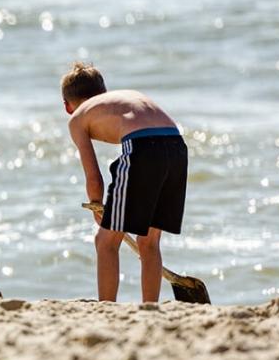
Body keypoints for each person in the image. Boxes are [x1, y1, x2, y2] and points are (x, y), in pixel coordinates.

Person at [62, 61, 188, 303]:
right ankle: (149, 307)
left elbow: (93, 176)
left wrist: (96, 203)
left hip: (143, 148)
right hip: (176, 146)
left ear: (67, 106)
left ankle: (107, 306)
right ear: (104, 93)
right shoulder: (119, 100)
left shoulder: (77, 118)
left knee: (106, 240)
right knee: (149, 241)